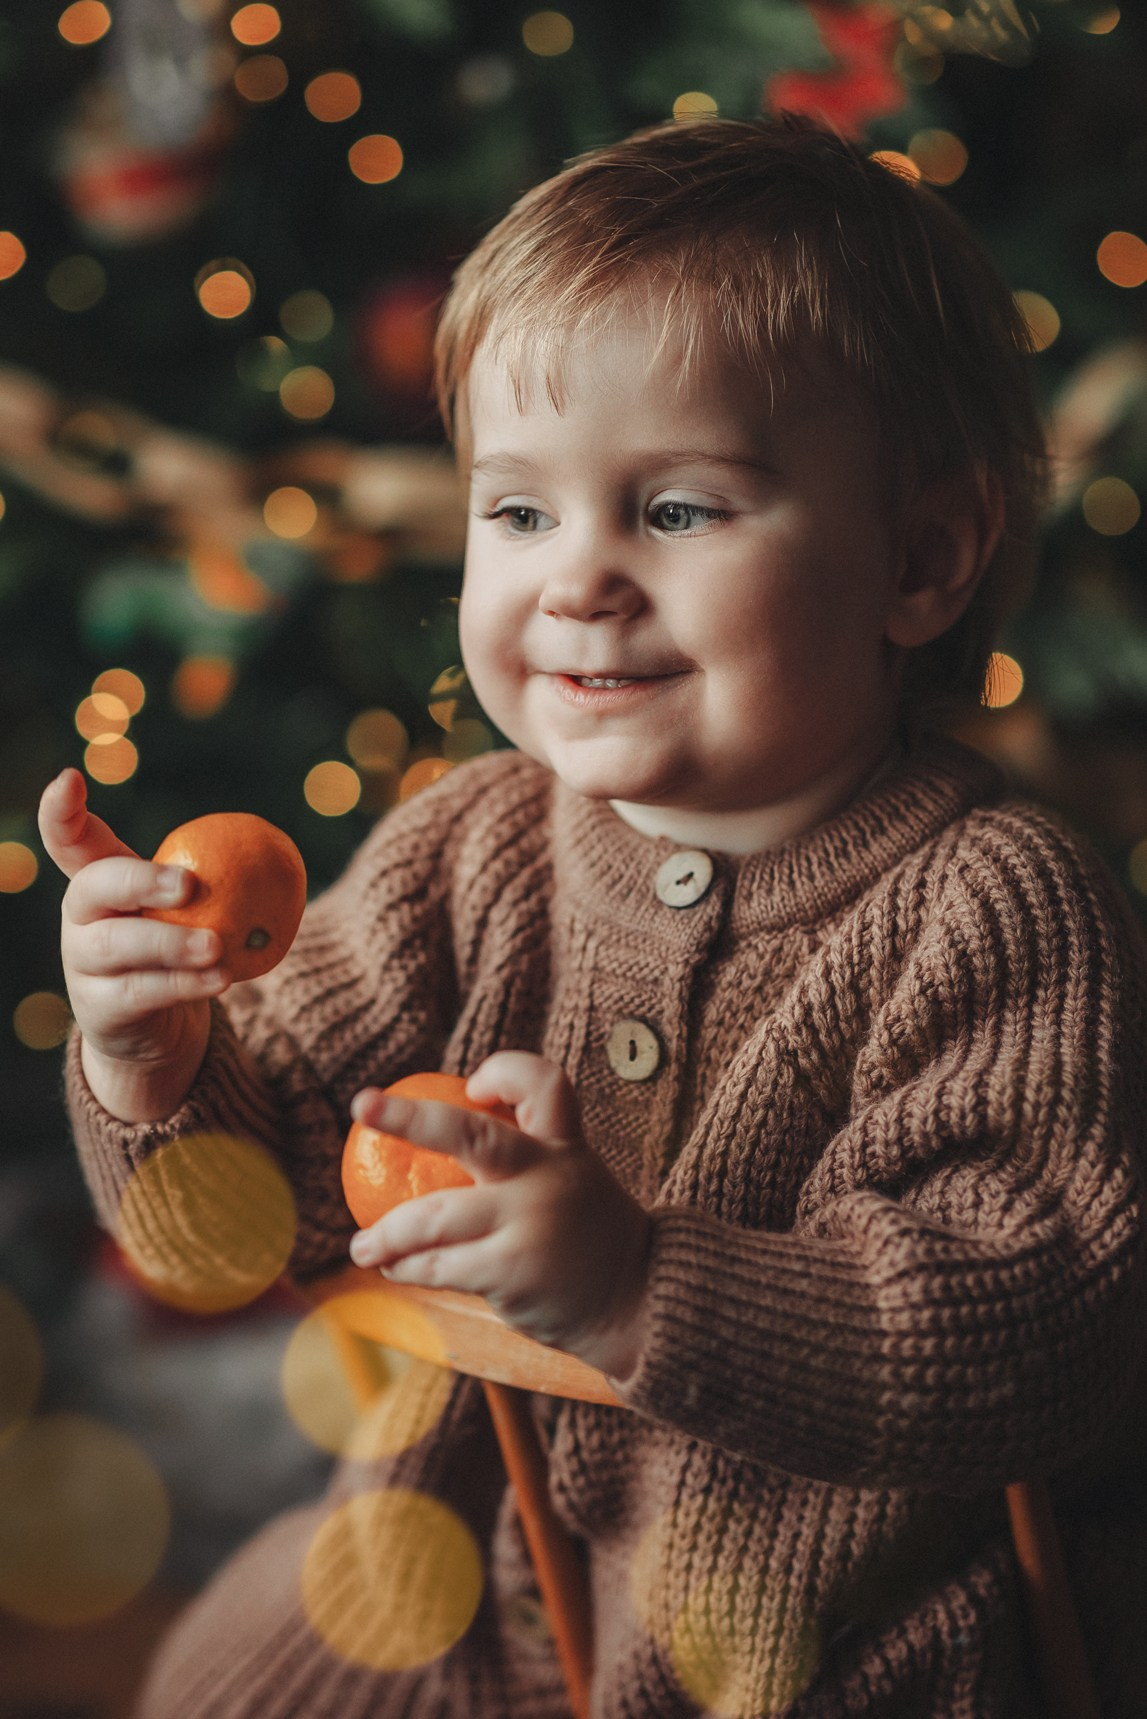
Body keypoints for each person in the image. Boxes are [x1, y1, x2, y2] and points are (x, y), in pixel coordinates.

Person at [39, 114, 1147, 1719]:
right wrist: (155, 1062)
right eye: (520, 512)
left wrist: (642, 1285)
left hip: (823, 1639)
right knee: (227, 1677)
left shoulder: (994, 904)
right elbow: (239, 1211)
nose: (576, 582)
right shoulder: (471, 847)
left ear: (921, 558)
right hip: (457, 1572)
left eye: (678, 511)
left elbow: (1035, 1325)